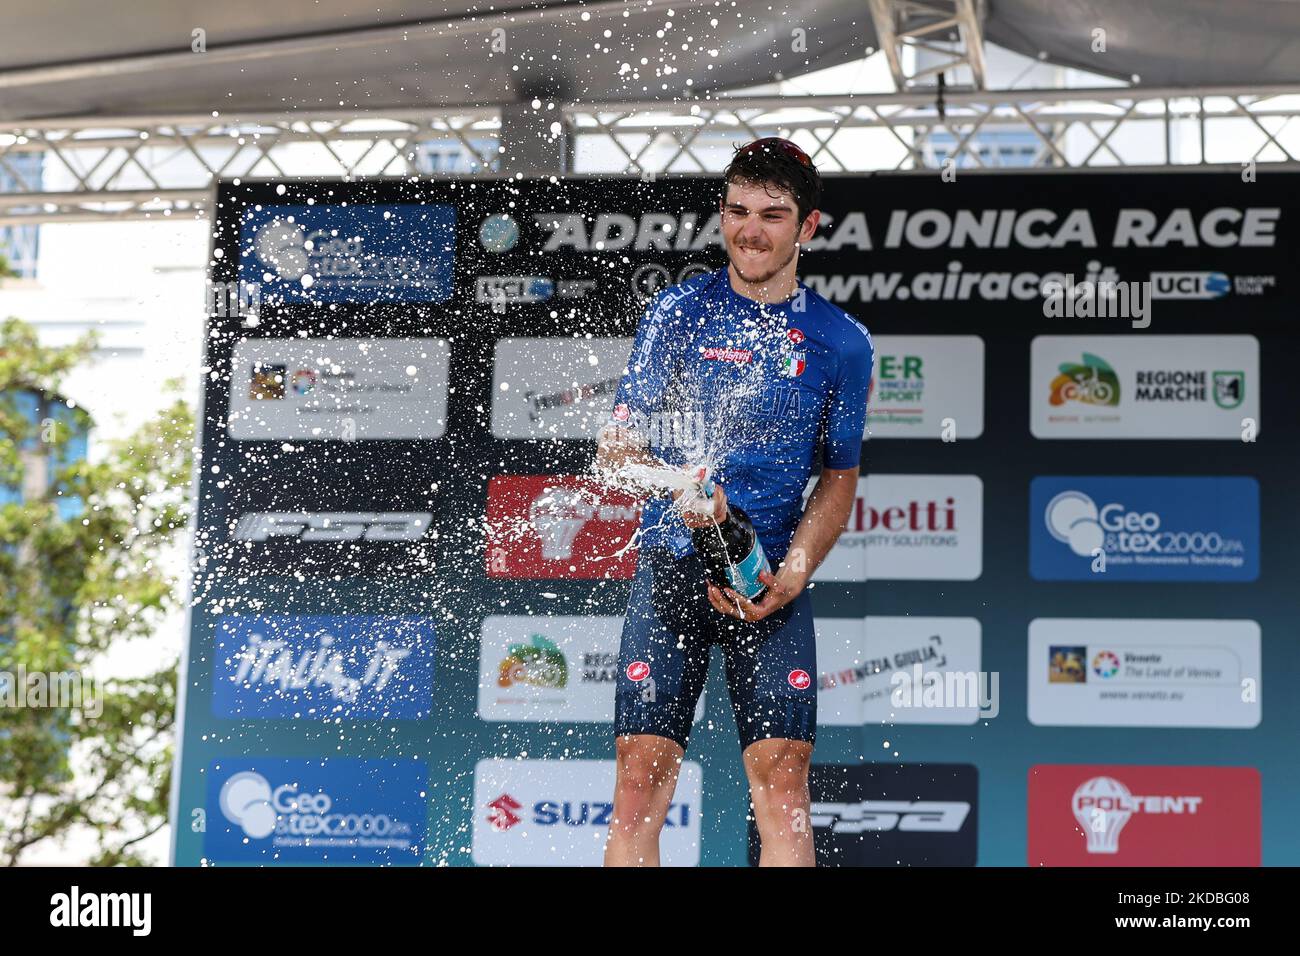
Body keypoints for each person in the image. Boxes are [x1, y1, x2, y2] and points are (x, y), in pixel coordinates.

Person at [595, 137, 874, 866]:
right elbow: (616, 449)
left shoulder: (842, 342)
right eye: (737, 211)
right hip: (671, 570)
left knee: (783, 785)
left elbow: (839, 478)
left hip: (771, 581)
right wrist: (674, 483)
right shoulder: (677, 311)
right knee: (637, 783)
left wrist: (796, 570)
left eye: (773, 215)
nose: (750, 229)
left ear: (808, 226)